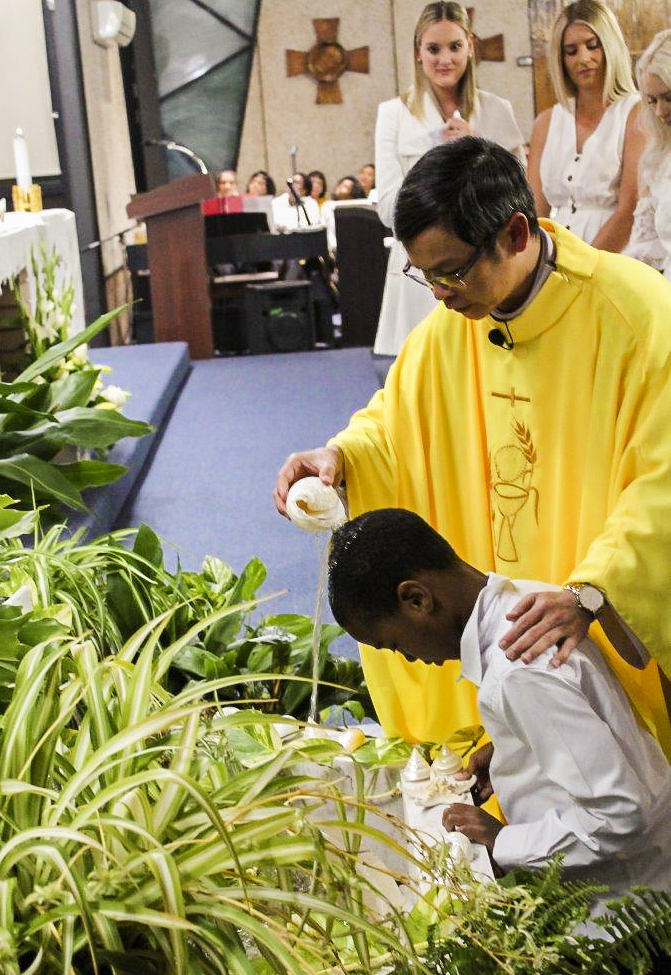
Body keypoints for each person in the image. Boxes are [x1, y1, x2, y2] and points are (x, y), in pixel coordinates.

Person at [274, 136, 671, 758]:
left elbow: (664, 481)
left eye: (451, 271)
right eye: (423, 274)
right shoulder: (457, 322)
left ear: (515, 233)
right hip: (511, 612)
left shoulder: (637, 316)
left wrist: (592, 590)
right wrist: (343, 455)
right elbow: (398, 421)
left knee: (619, 779)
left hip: (582, 599)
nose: (438, 292)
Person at [327, 507, 671, 926]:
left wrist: (503, 842)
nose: (410, 658)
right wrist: (514, 751)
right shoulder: (524, 599)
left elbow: (619, 814)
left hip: (629, 918)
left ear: (417, 598)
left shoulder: (516, 669)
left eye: (396, 645)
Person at [373, 1, 525, 357]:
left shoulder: (497, 110)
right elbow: (385, 208)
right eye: (434, 48)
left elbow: (521, 198)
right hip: (419, 275)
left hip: (484, 267)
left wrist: (478, 151)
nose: (445, 59)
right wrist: (437, 166)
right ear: (418, 53)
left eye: (455, 47)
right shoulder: (393, 114)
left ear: (470, 47)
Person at [527, 0, 645, 251]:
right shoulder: (545, 123)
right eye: (571, 51)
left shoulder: (635, 114)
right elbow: (534, 211)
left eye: (593, 46)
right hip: (553, 259)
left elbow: (629, 210)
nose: (584, 58)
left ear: (610, 46)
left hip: (615, 257)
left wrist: (584, 266)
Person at [624, 30, 671, 276]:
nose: (660, 112)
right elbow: (645, 248)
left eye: (669, 98)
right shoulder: (658, 159)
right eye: (652, 100)